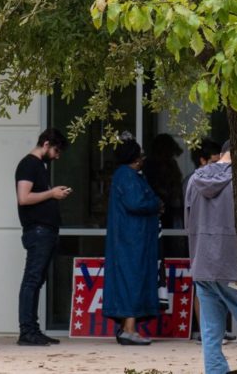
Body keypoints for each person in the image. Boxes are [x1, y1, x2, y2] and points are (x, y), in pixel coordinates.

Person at [185, 141, 237, 374]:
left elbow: (188, 221)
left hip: (202, 262)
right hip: (230, 263)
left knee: (210, 331)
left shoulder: (194, 179)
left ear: (221, 154)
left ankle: (216, 371)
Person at [103, 137, 162, 345]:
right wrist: (156, 203)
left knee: (129, 280)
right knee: (132, 281)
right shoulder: (127, 176)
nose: (143, 160)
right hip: (132, 240)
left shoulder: (123, 176)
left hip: (130, 238)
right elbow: (136, 202)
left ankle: (125, 328)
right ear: (136, 159)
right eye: (141, 156)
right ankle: (129, 329)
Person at [14, 128, 70, 346]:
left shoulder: (39, 166)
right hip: (38, 231)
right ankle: (27, 331)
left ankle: (33, 329)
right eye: (56, 150)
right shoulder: (29, 164)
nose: (57, 155)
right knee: (32, 280)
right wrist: (52, 193)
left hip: (44, 231)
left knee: (36, 280)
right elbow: (23, 198)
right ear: (46, 144)